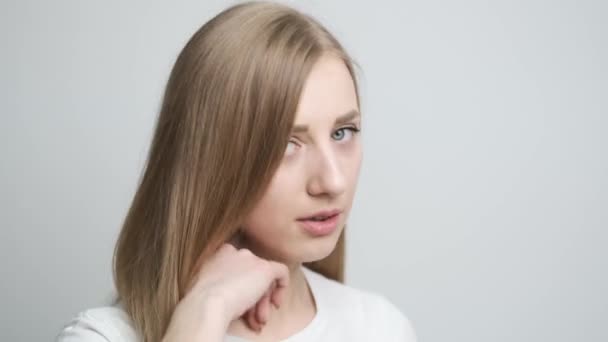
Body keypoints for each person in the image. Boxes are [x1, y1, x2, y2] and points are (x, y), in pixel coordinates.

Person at [56, 1, 417, 341]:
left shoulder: (380, 328)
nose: (333, 182)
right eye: (284, 144)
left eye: (342, 133)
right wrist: (201, 317)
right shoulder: (101, 336)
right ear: (211, 157)